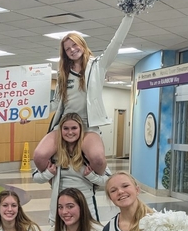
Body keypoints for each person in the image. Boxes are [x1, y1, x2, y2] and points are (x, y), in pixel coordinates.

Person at [33, 15, 134, 175]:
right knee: (39, 156)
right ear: (65, 53)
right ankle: (54, 181)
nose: (72, 50)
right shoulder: (63, 74)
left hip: (88, 125)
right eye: (68, 49)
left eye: (75, 45)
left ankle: (96, 182)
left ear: (82, 44)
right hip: (65, 124)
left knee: (98, 159)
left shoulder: (98, 66)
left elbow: (116, 43)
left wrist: (129, 16)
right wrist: (31, 114)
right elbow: (56, 102)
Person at [33, 113, 111, 223]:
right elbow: (36, 177)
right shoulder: (54, 153)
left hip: (86, 203)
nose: (70, 132)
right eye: (66, 128)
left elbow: (107, 180)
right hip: (61, 205)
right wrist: (48, 174)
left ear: (80, 129)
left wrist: (92, 176)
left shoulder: (88, 153)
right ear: (60, 130)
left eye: (74, 128)